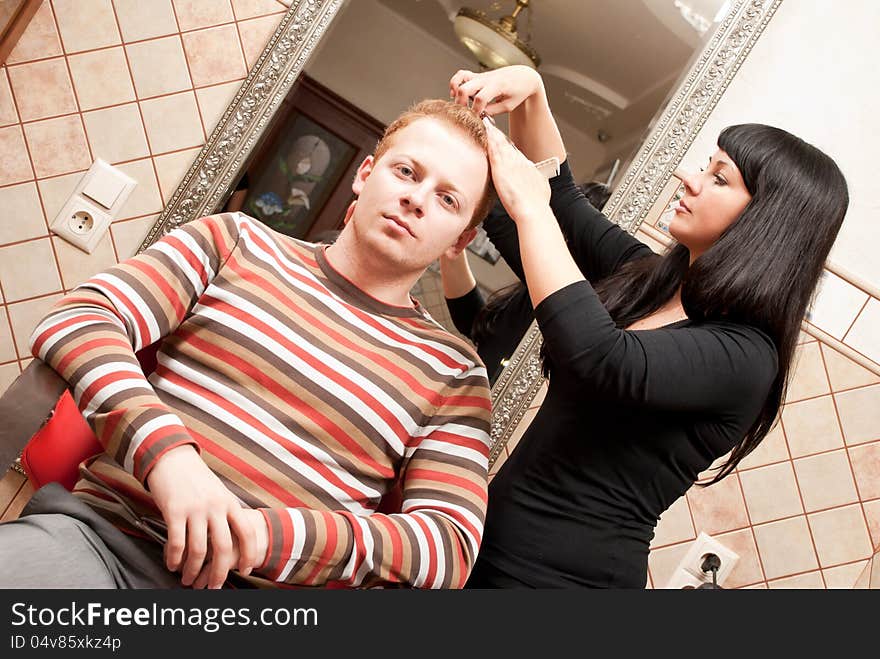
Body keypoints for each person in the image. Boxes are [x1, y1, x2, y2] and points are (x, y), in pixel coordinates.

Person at [0, 99, 495, 590]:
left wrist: (268, 535)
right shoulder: (235, 241)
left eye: (448, 199)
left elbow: (447, 545)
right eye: (406, 171)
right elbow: (82, 318)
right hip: (105, 546)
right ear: (365, 174)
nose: (416, 198)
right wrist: (169, 458)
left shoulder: (453, 373)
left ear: (460, 240)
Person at [448, 65, 849, 588]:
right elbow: (564, 199)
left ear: (765, 223)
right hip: (486, 547)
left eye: (719, 177)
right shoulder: (650, 281)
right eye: (706, 165)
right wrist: (531, 94)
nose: (690, 177)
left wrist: (530, 211)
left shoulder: (746, 356)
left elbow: (599, 357)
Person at [441, 181, 611, 383]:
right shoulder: (530, 291)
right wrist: (452, 253)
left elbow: (498, 219)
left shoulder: (576, 312)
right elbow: (476, 324)